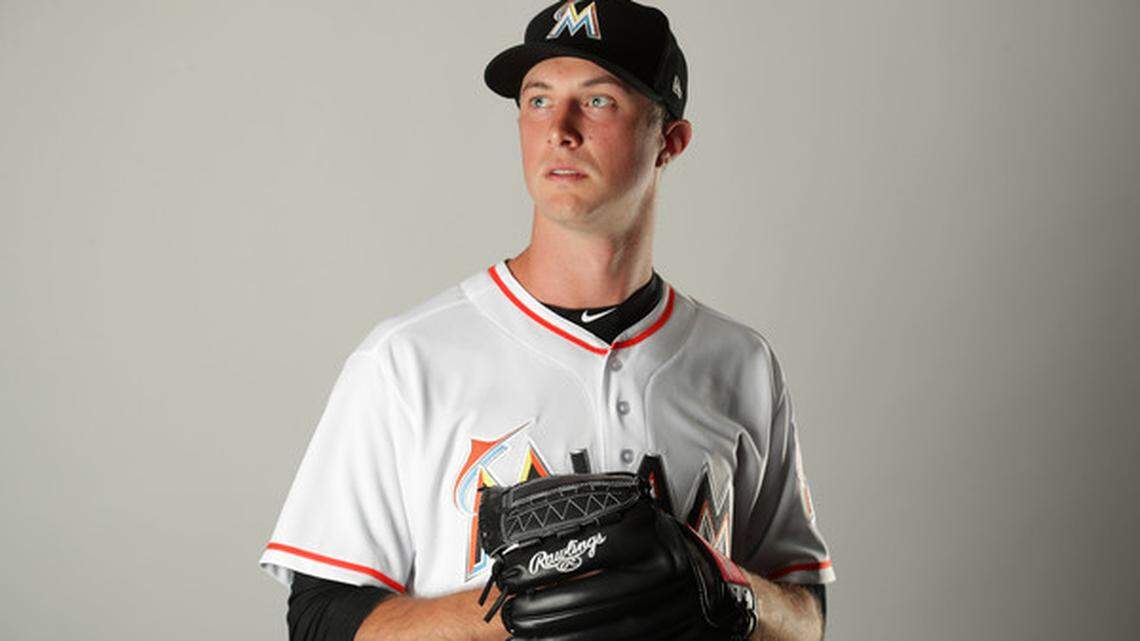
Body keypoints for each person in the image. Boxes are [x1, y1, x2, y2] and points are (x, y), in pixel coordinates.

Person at [259, 2, 836, 639]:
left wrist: (730, 589)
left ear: (669, 141)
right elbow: (318, 621)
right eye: (537, 100)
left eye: (598, 101)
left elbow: (806, 615)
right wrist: (507, 614)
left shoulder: (742, 364)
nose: (559, 128)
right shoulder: (405, 360)